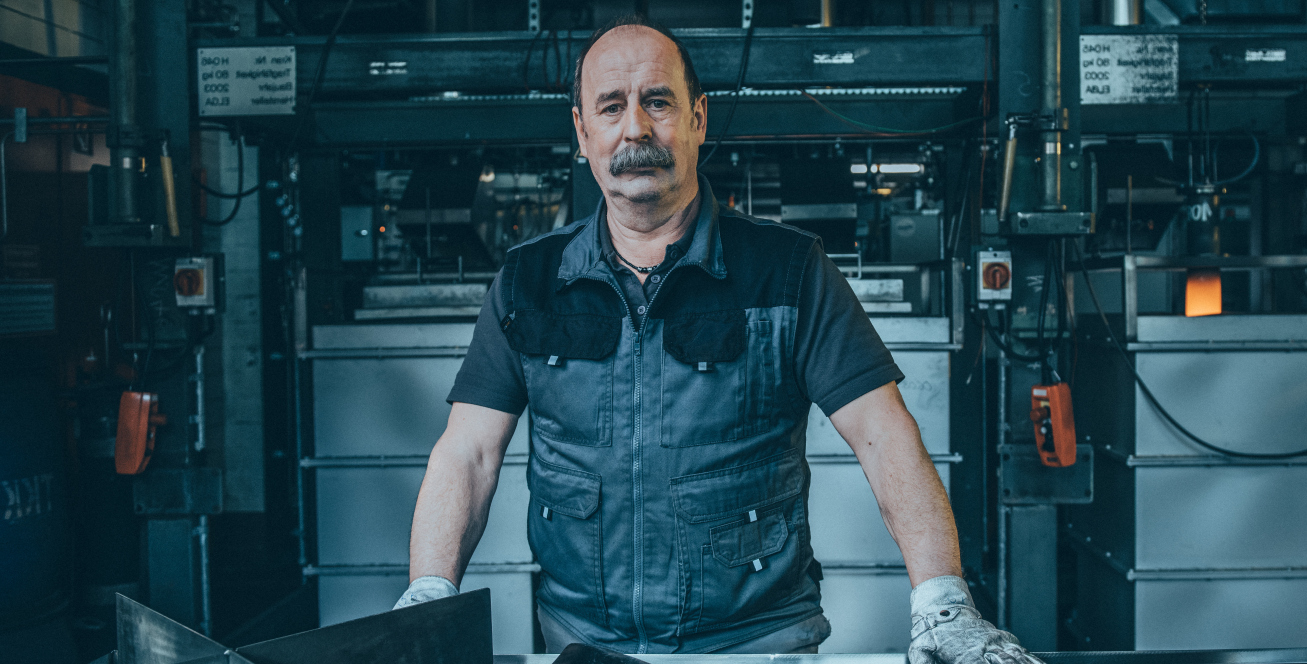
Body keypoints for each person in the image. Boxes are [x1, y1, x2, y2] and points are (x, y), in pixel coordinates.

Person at [393, 15, 1040, 663]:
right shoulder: (528, 281)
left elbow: (883, 434)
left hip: (759, 642)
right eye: (611, 107)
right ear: (582, 130)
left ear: (699, 118)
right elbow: (469, 453)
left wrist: (943, 603)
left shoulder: (788, 272)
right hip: (587, 646)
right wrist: (428, 594)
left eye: (658, 102)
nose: (636, 129)